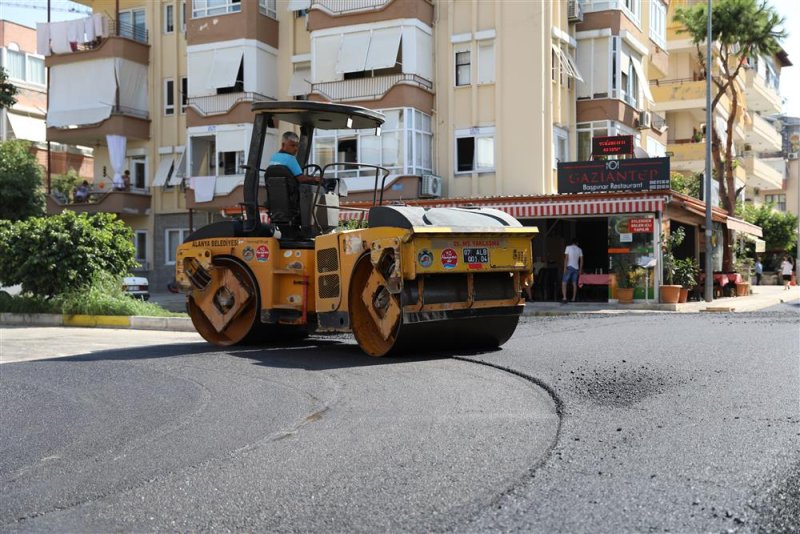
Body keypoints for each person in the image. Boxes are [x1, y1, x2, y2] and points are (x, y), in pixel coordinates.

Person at [561, 238, 583, 303]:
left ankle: (564, 298)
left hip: (569, 267)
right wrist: (580, 270)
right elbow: (581, 261)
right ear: (577, 243)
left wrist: (564, 268)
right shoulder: (579, 249)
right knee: (574, 283)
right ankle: (573, 298)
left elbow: (566, 258)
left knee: (564, 282)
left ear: (572, 242)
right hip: (576, 268)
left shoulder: (568, 247)